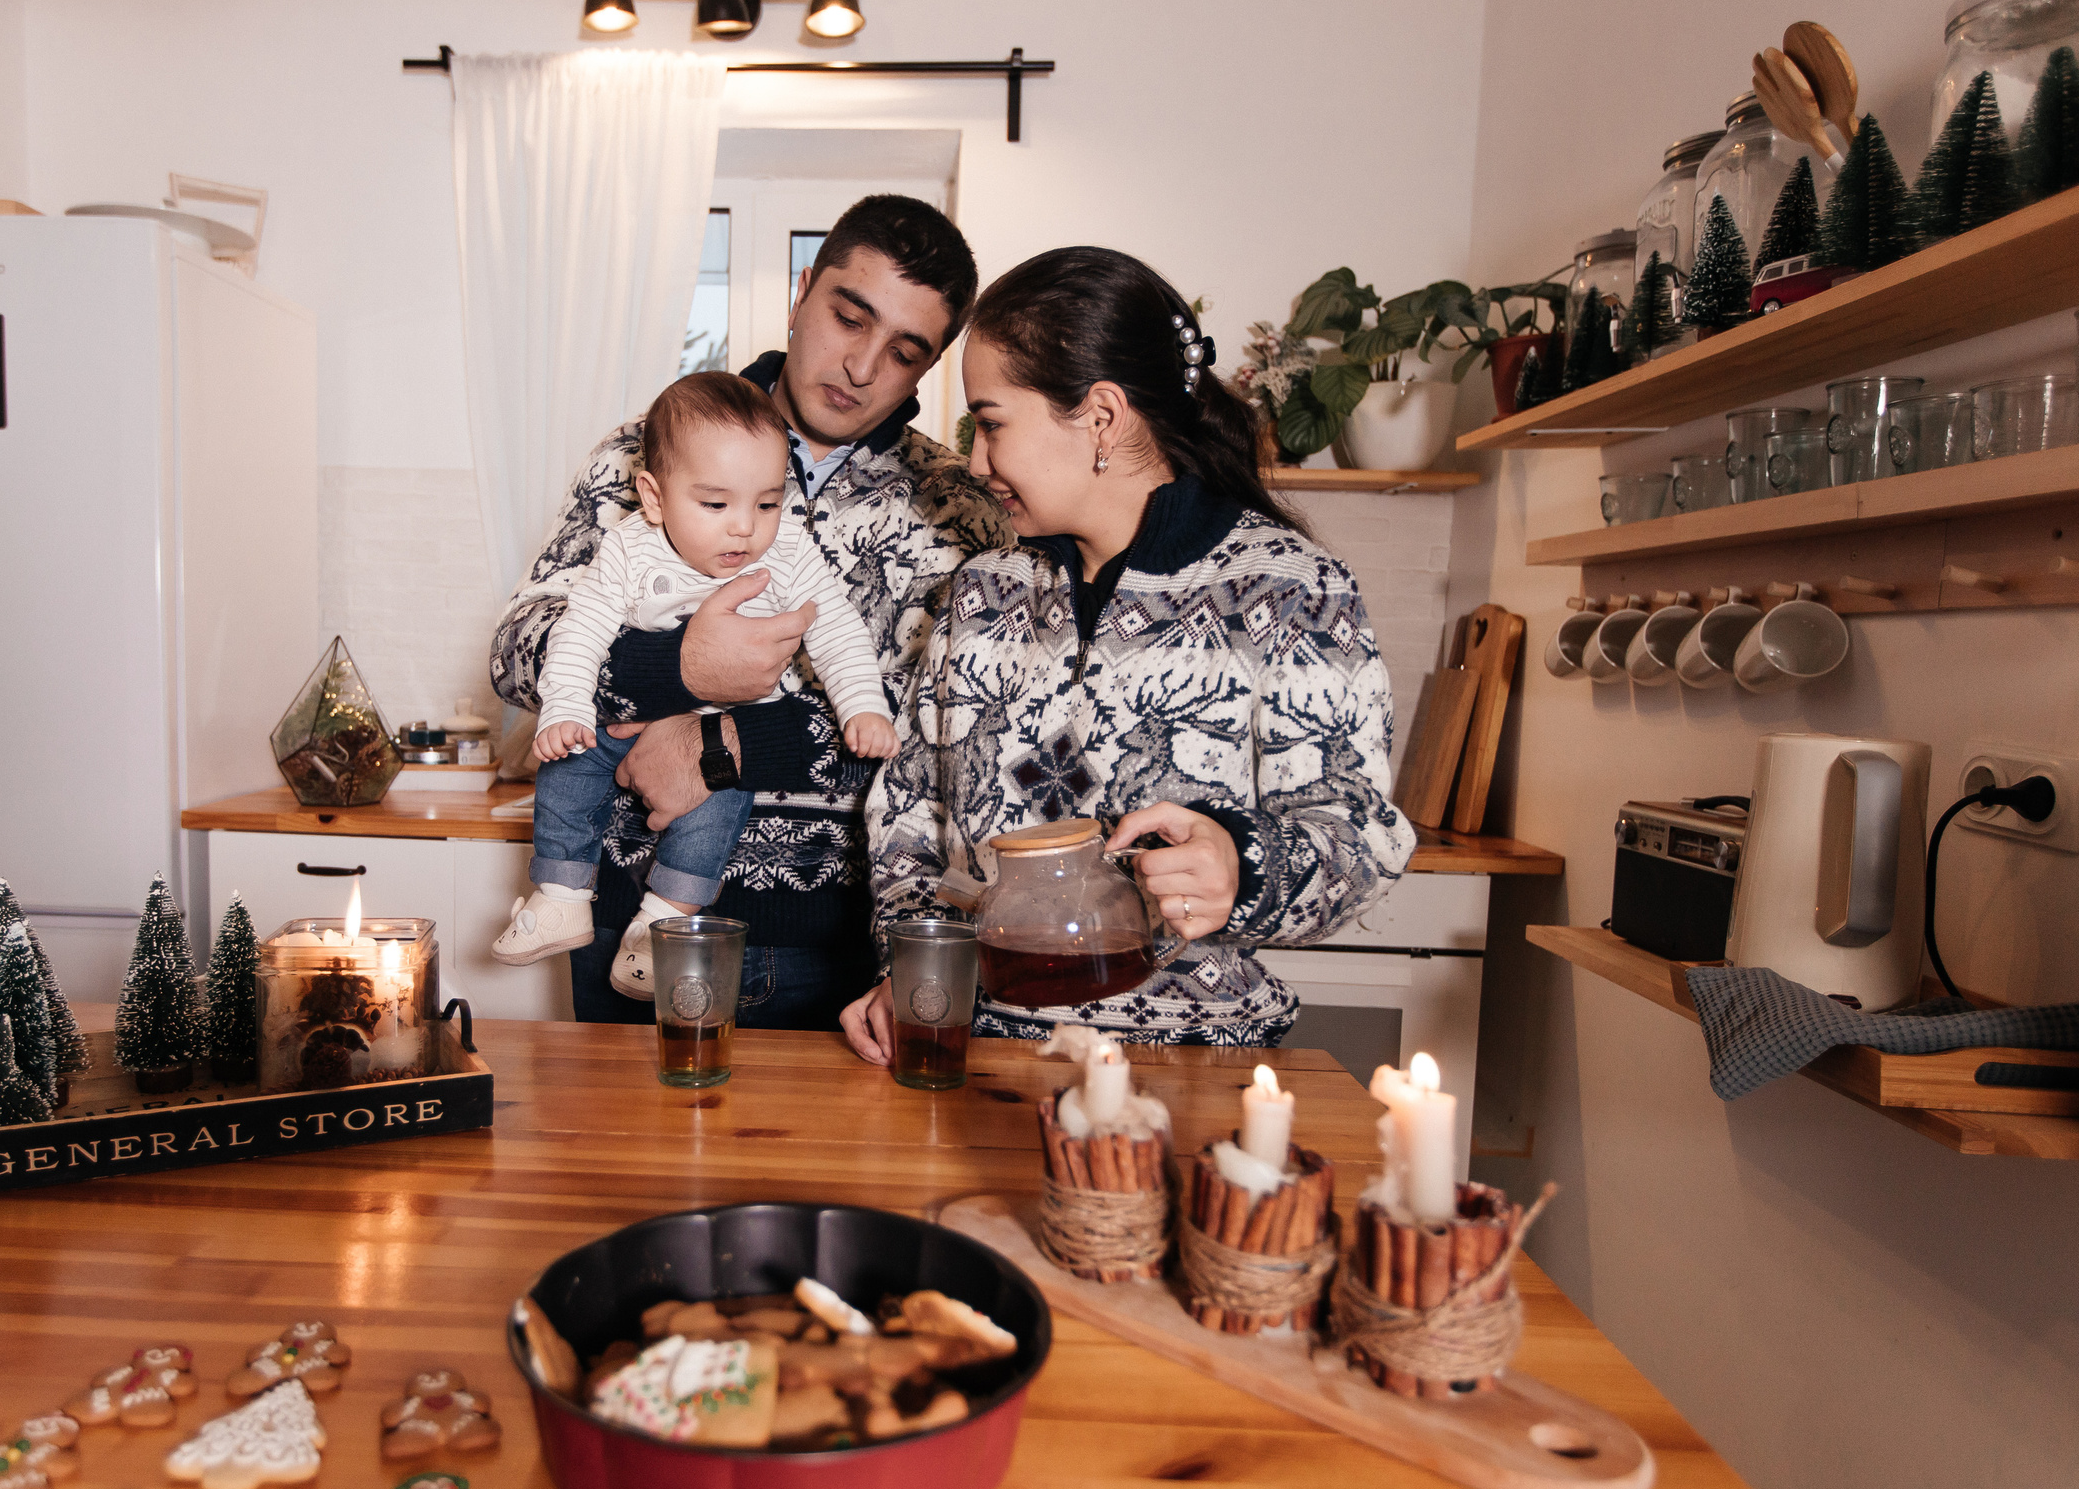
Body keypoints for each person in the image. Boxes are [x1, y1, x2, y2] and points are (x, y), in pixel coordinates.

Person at [841, 246, 1416, 1061]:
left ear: (1101, 416)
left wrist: (1240, 867)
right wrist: (915, 963)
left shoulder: (1294, 591)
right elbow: (907, 819)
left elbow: (1361, 837)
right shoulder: (981, 593)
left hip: (1199, 1068)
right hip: (981, 1055)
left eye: (992, 423)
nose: (974, 460)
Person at [489, 195, 1010, 1028]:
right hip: (621, 927)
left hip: (831, 952)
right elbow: (515, 651)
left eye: (905, 351)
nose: (862, 365)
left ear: (929, 366)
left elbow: (953, 753)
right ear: (802, 293)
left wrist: (726, 743)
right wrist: (676, 667)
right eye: (849, 317)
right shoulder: (644, 452)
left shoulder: (964, 516)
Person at [492, 371, 896, 996]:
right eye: (716, 505)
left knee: (713, 813)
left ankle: (665, 920)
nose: (744, 528)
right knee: (567, 767)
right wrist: (568, 709)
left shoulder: (786, 551)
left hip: (728, 748)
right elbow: (578, 631)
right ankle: (562, 893)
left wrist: (862, 706)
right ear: (653, 497)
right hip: (620, 729)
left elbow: (837, 629)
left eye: (767, 502)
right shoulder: (628, 548)